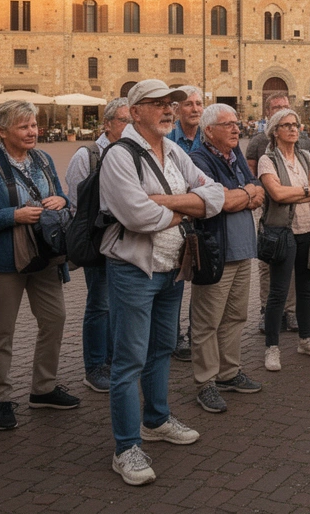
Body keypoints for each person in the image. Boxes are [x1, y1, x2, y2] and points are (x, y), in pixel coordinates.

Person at [96, 80, 224, 485]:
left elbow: (216, 194)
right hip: (134, 270)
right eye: (157, 104)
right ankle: (126, 447)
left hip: (173, 266)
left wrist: (173, 206)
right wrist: (191, 210)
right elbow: (137, 218)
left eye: (170, 103)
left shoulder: (173, 150)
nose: (168, 110)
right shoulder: (119, 156)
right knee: (129, 359)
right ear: (135, 112)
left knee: (162, 349)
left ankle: (155, 419)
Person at [0, 100, 77, 431]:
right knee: (3, 330)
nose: (32, 132)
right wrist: (12, 215)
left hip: (44, 253)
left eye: (34, 125)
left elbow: (60, 195)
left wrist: (62, 200)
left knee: (55, 319)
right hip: (4, 259)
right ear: (1, 131)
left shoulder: (42, 158)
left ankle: (43, 388)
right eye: (24, 126)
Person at [187, 103, 266, 414]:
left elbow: (258, 190)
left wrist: (243, 195)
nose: (237, 129)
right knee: (207, 320)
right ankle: (205, 382)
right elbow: (215, 202)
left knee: (235, 316)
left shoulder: (235, 157)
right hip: (215, 250)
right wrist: (243, 196)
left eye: (237, 123)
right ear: (209, 131)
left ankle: (228, 373)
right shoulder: (198, 160)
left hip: (243, 249)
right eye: (228, 124)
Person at [64, 96, 131, 393]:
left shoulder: (133, 152)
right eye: (124, 121)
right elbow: (78, 205)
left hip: (127, 241)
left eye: (133, 121)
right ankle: (95, 366)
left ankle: (115, 360)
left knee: (121, 304)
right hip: (98, 240)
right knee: (100, 303)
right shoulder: (87, 156)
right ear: (107, 124)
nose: (129, 127)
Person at [259, 107, 310, 369]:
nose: (293, 129)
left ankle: (306, 339)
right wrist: (308, 191)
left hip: (309, 229)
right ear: (275, 131)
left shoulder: (304, 156)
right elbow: (276, 194)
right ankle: (272, 347)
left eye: (295, 124)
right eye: (286, 125)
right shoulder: (268, 160)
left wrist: (300, 191)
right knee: (278, 292)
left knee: (306, 289)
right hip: (282, 233)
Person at [246, 92, 310, 335]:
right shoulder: (258, 143)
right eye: (277, 108)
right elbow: (253, 177)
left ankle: (291, 311)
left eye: (286, 107)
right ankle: (267, 310)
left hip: (302, 219)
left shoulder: (305, 143)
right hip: (272, 217)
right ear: (268, 115)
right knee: (269, 267)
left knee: (296, 269)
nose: (282, 110)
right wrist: (282, 192)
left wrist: (294, 192)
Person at [162, 85, 203, 362]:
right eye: (188, 104)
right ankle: (172, 335)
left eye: (199, 104)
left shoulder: (208, 137)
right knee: (174, 280)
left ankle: (194, 334)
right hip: (175, 218)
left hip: (201, 217)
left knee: (201, 283)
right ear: (177, 110)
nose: (195, 109)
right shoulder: (168, 139)